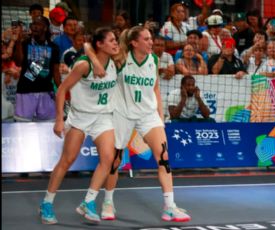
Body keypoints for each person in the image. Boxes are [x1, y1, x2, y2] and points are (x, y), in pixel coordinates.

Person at [87, 25, 191, 222]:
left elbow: (156, 88)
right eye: (146, 39)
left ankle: (169, 206)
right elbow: (89, 47)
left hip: (148, 115)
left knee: (164, 157)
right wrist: (96, 62)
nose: (151, 42)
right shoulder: (121, 59)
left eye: (151, 38)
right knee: (115, 161)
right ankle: (108, 202)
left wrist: (160, 116)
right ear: (134, 43)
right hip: (123, 114)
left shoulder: (153, 59)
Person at [39, 27, 119, 224]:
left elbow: (88, 44)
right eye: (111, 40)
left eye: (116, 40)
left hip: (103, 117)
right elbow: (62, 90)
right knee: (67, 160)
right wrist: (59, 119)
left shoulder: (117, 60)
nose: (116, 43)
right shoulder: (84, 65)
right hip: (80, 117)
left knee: (109, 159)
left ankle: (88, 202)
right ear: (99, 44)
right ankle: (47, 203)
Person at [13, 16, 61, 122]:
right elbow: (18, 62)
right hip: (25, 91)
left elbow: (56, 72)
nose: (34, 27)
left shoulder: (53, 47)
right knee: (22, 126)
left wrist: (62, 90)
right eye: (32, 24)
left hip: (46, 92)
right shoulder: (24, 43)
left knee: (48, 127)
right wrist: (18, 42)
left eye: (37, 24)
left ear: (45, 28)